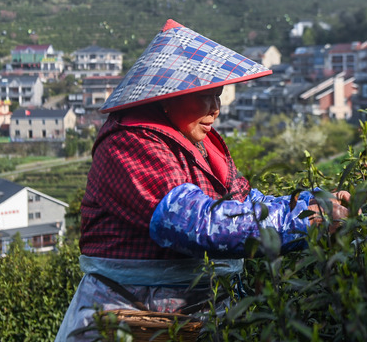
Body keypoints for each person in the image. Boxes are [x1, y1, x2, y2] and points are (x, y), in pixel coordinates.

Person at [55, 19, 350, 341]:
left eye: (218, 96)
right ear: (167, 96)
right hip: (128, 319)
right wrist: (307, 221)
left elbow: (246, 202)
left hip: (194, 321)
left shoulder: (203, 145)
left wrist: (313, 201)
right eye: (205, 96)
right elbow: (197, 224)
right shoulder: (129, 142)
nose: (215, 109)